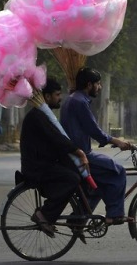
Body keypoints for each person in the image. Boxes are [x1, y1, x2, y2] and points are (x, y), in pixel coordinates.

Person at [60, 67, 133, 226]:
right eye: (98, 84)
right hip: (80, 155)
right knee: (118, 171)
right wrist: (117, 141)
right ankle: (114, 215)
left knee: (99, 184)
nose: (99, 87)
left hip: (74, 153)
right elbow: (94, 130)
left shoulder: (73, 99)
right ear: (88, 85)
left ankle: (79, 219)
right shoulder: (79, 102)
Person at [20, 77, 89, 238]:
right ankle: (44, 215)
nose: (60, 97)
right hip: (37, 168)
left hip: (46, 164)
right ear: (47, 97)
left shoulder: (44, 115)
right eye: (57, 94)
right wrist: (78, 152)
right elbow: (57, 139)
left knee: (77, 175)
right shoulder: (37, 117)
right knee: (72, 179)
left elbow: (57, 138)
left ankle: (77, 220)